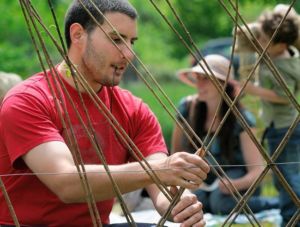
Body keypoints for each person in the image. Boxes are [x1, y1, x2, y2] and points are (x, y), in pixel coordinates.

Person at [0, 0, 210, 226]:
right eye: (116, 39)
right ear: (78, 34)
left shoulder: (134, 110)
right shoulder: (28, 100)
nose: (129, 53)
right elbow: (66, 183)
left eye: (131, 41)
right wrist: (159, 170)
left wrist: (179, 203)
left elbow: (160, 183)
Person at [171, 54, 279, 215]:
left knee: (220, 202)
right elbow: (176, 154)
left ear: (223, 84)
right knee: (194, 202)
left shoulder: (241, 118)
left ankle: (278, 204)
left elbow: (257, 172)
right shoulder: (187, 108)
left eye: (206, 78)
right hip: (202, 180)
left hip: (237, 183)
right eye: (197, 78)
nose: (199, 84)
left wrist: (235, 184)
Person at [236, 10, 300, 227]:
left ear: (280, 45)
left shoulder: (283, 66)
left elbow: (285, 97)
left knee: (289, 179)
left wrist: (252, 90)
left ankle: (293, 219)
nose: (259, 42)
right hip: (277, 125)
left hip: (286, 128)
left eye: (264, 40)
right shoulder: (275, 51)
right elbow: (257, 31)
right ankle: (289, 217)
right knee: (282, 177)